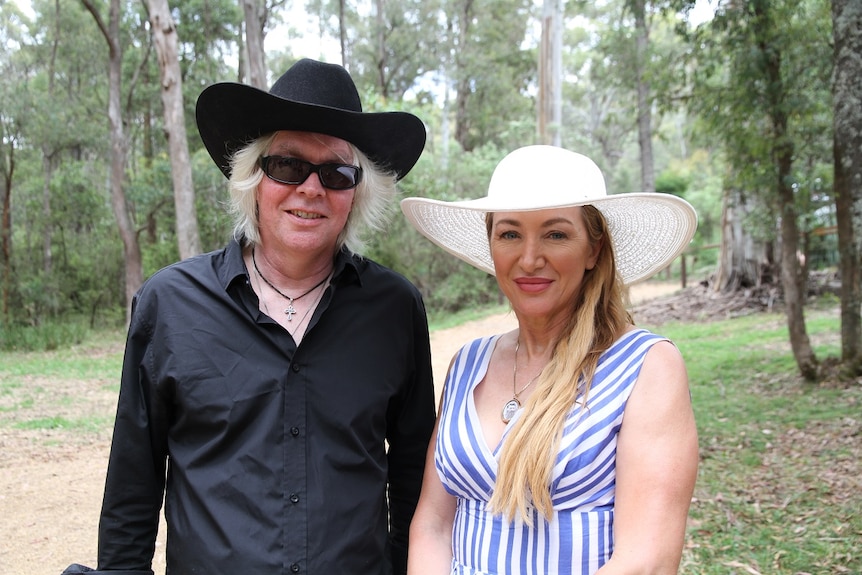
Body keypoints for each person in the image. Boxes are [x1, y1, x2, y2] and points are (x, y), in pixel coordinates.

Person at [62, 58, 436, 575]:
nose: (311, 188)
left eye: (336, 172)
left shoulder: (395, 308)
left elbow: (414, 475)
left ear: (357, 193)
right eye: (287, 165)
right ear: (253, 178)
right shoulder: (169, 302)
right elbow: (133, 481)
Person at [400, 145, 700, 574]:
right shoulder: (468, 364)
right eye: (509, 234)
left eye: (556, 234)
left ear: (594, 250)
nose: (529, 258)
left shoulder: (645, 368)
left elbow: (647, 560)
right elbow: (432, 522)